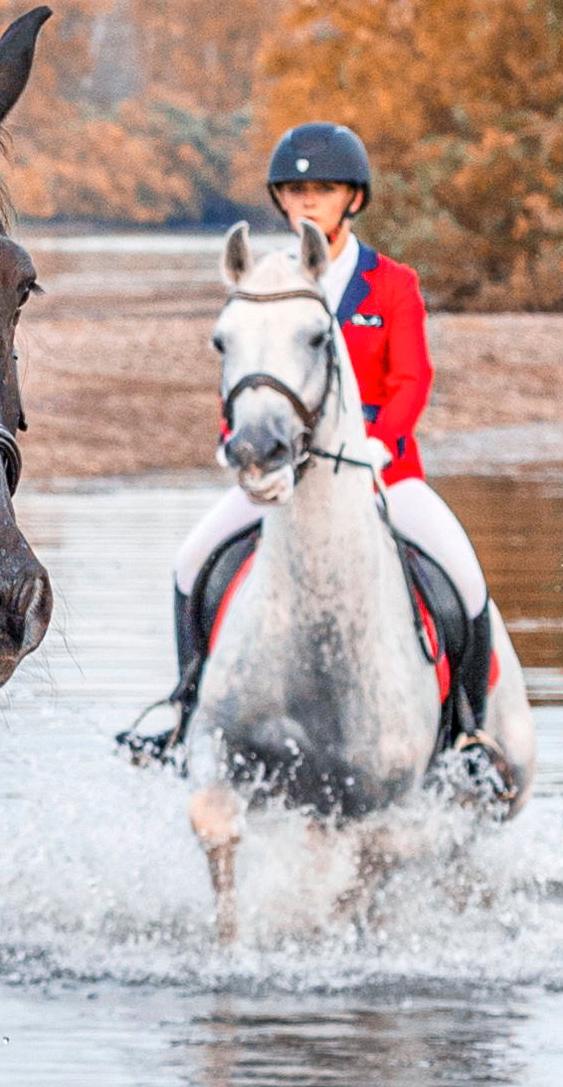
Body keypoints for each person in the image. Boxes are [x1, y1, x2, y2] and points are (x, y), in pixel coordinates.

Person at [158, 119, 502, 756]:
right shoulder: (268, 283)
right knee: (189, 564)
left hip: (386, 474)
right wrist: (234, 435)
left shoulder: (392, 284)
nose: (306, 200)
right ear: (280, 201)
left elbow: (412, 378)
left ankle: (470, 732)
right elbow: (245, 374)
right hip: (285, 477)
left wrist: (382, 442)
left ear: (355, 198)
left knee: (467, 581)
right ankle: (183, 716)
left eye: (323, 187)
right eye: (294, 189)